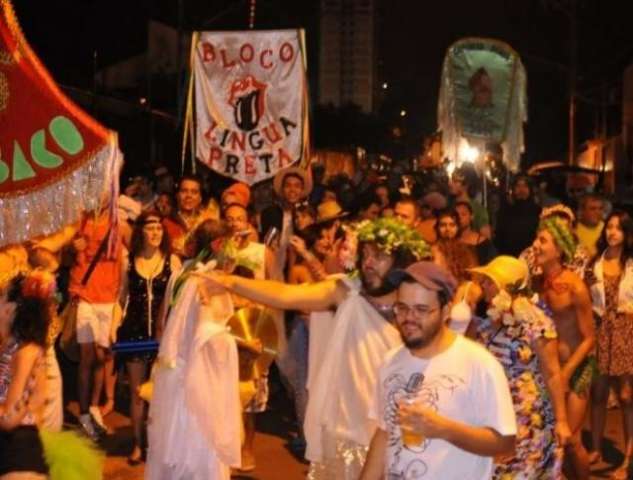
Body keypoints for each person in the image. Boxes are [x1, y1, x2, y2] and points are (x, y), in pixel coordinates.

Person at [195, 217, 431, 478]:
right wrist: (231, 283)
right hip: (347, 432)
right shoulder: (345, 292)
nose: (368, 263)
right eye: (365, 254)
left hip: (399, 433)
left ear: (400, 262)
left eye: (379, 257)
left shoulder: (417, 307)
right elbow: (285, 295)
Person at [359, 262, 516, 480]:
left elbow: (505, 443)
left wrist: (444, 429)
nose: (409, 318)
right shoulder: (390, 362)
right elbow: (384, 433)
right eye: (402, 307)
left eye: (421, 309)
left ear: (445, 311)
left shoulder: (479, 364)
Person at [146, 219, 241, 480]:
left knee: (172, 446)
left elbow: (163, 324)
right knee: (200, 446)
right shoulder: (211, 282)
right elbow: (208, 336)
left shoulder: (181, 274)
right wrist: (239, 343)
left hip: (174, 375)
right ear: (218, 246)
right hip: (200, 380)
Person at [467, 256, 571, 478]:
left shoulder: (535, 321)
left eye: (488, 280)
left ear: (505, 285)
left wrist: (562, 421)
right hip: (493, 411)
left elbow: (552, 373)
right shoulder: (488, 318)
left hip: (527, 415)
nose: (482, 285)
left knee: (521, 472)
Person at [532, 217, 596, 479]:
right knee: (552, 438)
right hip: (550, 370)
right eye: (536, 239)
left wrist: (567, 372)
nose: (535, 245)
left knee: (571, 440)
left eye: (542, 241)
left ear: (559, 250)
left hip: (577, 368)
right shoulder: (535, 284)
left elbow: (590, 338)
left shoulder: (576, 287)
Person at [117, 211, 181, 465]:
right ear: (140, 231)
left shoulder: (173, 261)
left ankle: (161, 442)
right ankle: (137, 443)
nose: (155, 232)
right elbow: (122, 296)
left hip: (164, 334)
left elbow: (177, 298)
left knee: (163, 391)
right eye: (150, 227)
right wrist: (115, 322)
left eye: (159, 228)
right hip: (134, 331)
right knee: (136, 392)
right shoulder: (128, 260)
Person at [69, 209, 124, 440]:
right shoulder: (78, 219)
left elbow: (124, 258)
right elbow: (63, 256)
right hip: (85, 295)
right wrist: (73, 249)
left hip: (109, 297)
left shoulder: (117, 219)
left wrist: (121, 298)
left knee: (103, 356)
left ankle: (94, 407)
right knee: (87, 357)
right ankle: (83, 414)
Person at [585, 211, 633, 478]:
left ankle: (628, 458)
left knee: (626, 397)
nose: (612, 232)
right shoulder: (595, 263)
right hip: (601, 331)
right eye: (609, 227)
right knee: (599, 393)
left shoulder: (631, 263)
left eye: (618, 228)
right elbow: (586, 297)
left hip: (627, 333)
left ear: (627, 234)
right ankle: (595, 449)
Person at [0, 273, 50, 479]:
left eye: (1, 296)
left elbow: (9, 419)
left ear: (11, 310)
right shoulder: (8, 348)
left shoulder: (27, 353)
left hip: (19, 460)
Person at [259, 166, 313, 274]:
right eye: (288, 185)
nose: (292, 190)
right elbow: (266, 243)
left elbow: (310, 246)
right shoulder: (270, 212)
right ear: (282, 190)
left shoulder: (306, 215)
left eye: (297, 186)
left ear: (302, 190)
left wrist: (305, 229)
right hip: (271, 267)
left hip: (295, 271)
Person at [162, 175, 218, 257]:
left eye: (194, 192)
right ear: (177, 195)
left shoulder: (208, 223)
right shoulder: (165, 223)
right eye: (184, 191)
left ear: (200, 198)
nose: (189, 196)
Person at [495, 174, 541, 256]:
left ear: (530, 189)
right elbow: (499, 236)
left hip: (530, 257)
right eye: (518, 186)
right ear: (513, 189)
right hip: (509, 258)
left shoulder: (538, 211)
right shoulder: (505, 211)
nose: (521, 189)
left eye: (525, 186)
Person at [431, 208, 478, 284]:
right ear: (437, 228)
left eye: (452, 225)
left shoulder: (466, 250)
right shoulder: (432, 250)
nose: (447, 229)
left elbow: (474, 276)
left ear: (458, 228)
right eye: (443, 225)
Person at [449, 167, 491, 239]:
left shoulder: (478, 209)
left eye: (455, 181)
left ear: (466, 185)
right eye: (451, 180)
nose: (450, 184)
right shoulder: (449, 206)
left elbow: (486, 239)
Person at [455, 200, 497, 264]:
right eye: (456, 215)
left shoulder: (484, 243)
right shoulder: (450, 240)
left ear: (471, 216)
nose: (459, 217)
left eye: (463, 214)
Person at [575, 193, 605, 258]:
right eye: (593, 209)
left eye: (600, 208)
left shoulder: (607, 228)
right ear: (582, 211)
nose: (598, 212)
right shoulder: (573, 229)